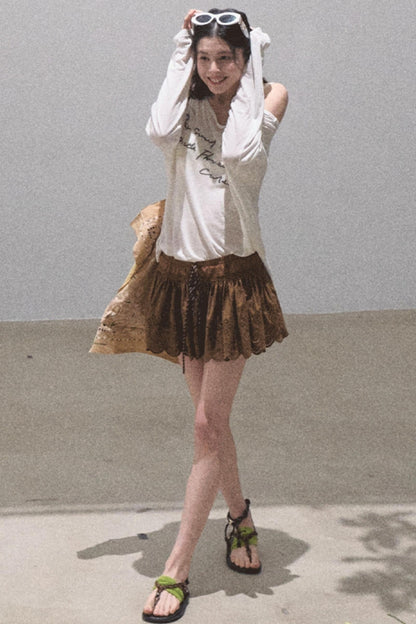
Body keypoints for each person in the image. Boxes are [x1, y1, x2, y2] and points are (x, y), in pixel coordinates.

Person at [140, 8, 289, 622]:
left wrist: (252, 67)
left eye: (225, 57)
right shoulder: (183, 105)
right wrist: (182, 49)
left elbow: (239, 151)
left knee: (207, 425)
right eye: (204, 58)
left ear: (246, 58)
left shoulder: (270, 96)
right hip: (183, 278)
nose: (214, 69)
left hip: (232, 281)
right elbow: (156, 128)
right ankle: (240, 517)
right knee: (212, 425)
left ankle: (176, 567)